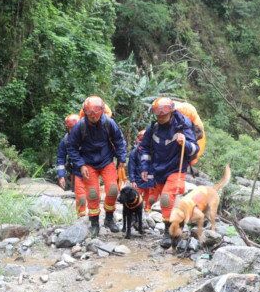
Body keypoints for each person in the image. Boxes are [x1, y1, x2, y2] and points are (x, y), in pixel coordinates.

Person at [139, 97, 199, 248]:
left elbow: (194, 148)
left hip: (175, 167)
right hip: (158, 168)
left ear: (171, 112)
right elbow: (145, 148)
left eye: (163, 116)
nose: (160, 118)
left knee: (166, 198)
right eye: (158, 116)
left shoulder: (182, 124)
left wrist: (185, 141)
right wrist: (145, 167)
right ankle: (176, 227)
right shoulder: (153, 128)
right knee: (159, 199)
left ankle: (167, 232)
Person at [67, 96, 127, 237]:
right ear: (86, 113)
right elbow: (72, 148)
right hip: (88, 163)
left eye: (95, 114)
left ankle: (109, 218)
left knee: (112, 190)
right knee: (93, 193)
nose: (93, 117)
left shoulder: (108, 123)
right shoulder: (79, 126)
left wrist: (122, 159)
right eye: (90, 115)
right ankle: (94, 223)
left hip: (106, 161)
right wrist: (81, 165)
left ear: (101, 112)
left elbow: (119, 140)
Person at [56, 114, 88, 216]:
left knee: (92, 193)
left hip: (91, 169)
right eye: (70, 128)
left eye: (73, 128)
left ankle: (94, 217)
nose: (72, 130)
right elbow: (61, 158)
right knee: (79, 195)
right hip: (76, 171)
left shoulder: (89, 136)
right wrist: (61, 176)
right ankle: (81, 216)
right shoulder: (65, 140)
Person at [127, 129, 155, 213]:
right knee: (136, 197)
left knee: (149, 197)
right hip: (138, 179)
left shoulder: (153, 150)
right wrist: (132, 180)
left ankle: (147, 211)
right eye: (140, 139)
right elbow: (131, 167)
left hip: (150, 179)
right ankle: (135, 212)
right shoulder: (134, 152)